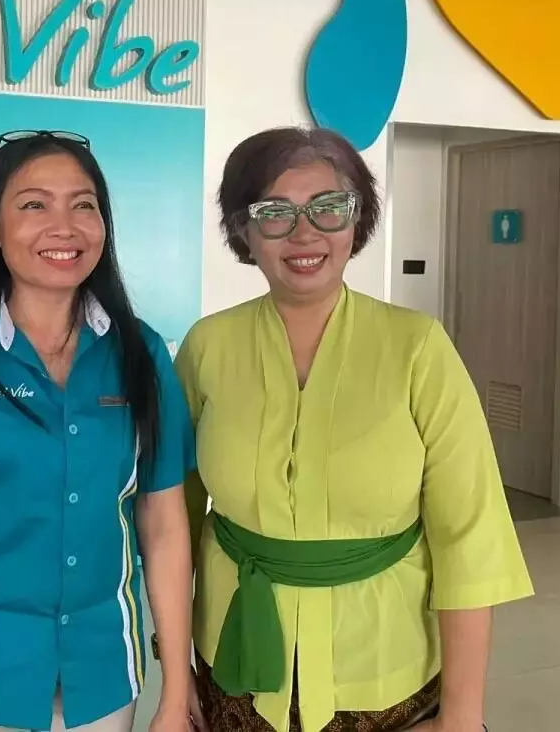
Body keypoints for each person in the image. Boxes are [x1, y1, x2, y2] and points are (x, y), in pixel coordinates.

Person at [176, 126, 533, 732]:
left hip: (385, 673)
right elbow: (171, 521)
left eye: (329, 207)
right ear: (242, 230)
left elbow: (469, 538)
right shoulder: (208, 346)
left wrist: (463, 715)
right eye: (274, 212)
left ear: (357, 219)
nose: (305, 233)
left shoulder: (417, 347)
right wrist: (173, 665)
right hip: (233, 669)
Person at [0, 130, 198, 732]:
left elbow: (163, 527)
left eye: (83, 205)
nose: (64, 226)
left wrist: (176, 692)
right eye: (34, 205)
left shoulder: (141, 353)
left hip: (104, 677)